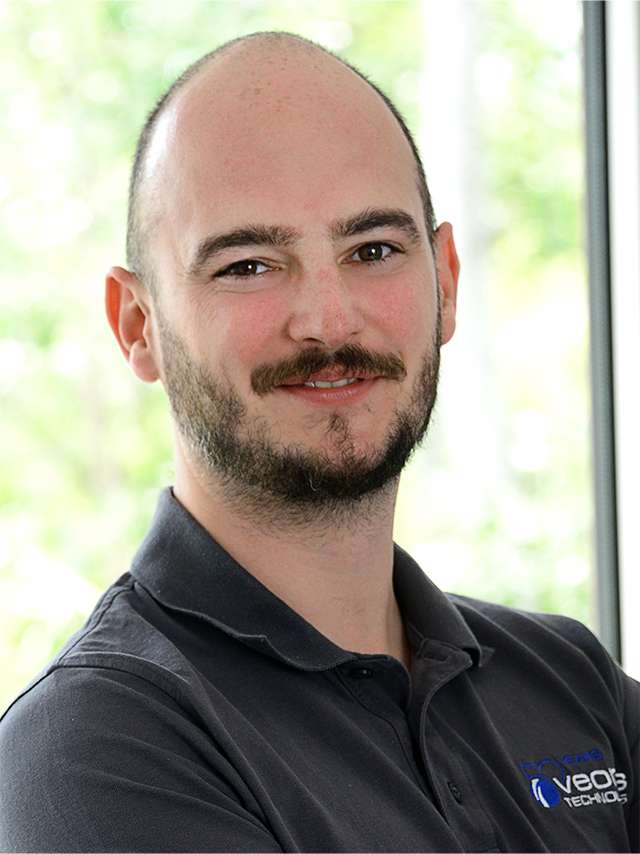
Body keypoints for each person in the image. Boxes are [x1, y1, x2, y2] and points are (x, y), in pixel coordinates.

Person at [0, 30, 637, 853]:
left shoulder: (570, 682)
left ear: (444, 280)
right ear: (138, 326)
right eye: (249, 266)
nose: (329, 321)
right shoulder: (95, 751)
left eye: (373, 250)